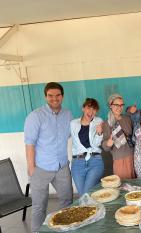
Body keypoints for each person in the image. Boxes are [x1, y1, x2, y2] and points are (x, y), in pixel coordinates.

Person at [24, 82, 73, 232]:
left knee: (67, 202)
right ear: (46, 97)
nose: (54, 98)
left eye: (57, 95)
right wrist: (32, 169)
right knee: (39, 207)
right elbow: (29, 143)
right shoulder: (35, 116)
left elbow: (73, 134)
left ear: (62, 96)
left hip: (61, 167)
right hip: (41, 168)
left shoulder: (68, 114)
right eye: (50, 95)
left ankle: (66, 229)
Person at [70, 98, 104, 196]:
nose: (91, 111)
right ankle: (97, 211)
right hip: (77, 162)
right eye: (89, 108)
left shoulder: (98, 121)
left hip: (95, 160)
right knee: (83, 196)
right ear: (83, 108)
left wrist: (99, 133)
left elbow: (96, 144)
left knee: (86, 194)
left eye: (94, 109)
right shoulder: (73, 123)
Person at [102, 93, 135, 179]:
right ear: (110, 105)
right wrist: (108, 143)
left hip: (134, 157)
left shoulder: (127, 118)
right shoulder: (107, 123)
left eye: (121, 105)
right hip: (120, 160)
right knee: (124, 186)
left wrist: (129, 110)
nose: (119, 107)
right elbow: (105, 146)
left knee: (136, 186)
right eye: (116, 105)